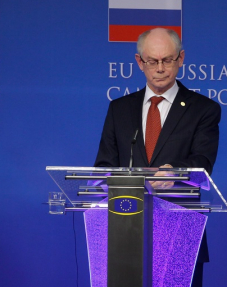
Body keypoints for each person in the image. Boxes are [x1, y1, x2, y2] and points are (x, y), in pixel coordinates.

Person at [95, 27, 221, 287]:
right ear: (140, 62)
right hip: (126, 233)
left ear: (181, 59)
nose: (160, 68)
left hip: (180, 234)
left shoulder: (203, 110)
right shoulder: (119, 109)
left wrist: (173, 172)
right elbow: (104, 167)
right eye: (152, 61)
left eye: (168, 60)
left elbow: (203, 162)